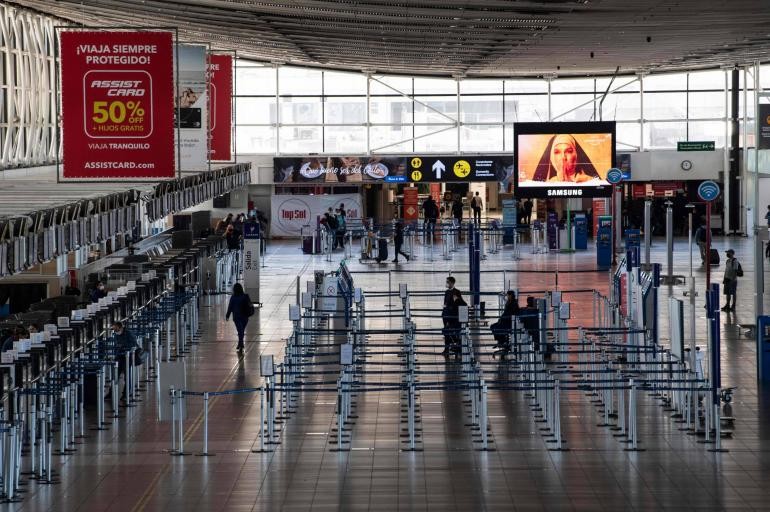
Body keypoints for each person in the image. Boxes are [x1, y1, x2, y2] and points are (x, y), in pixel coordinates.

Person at [531, 134, 601, 183]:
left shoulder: (591, 181)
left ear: (576, 156)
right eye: (557, 152)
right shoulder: (547, 184)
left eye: (569, 151)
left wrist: (589, 181)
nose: (563, 157)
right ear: (552, 158)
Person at [111, 321, 140, 403]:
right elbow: (116, 345)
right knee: (115, 374)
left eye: (116, 329)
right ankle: (111, 392)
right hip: (120, 356)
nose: (115, 330)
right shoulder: (116, 334)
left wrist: (123, 346)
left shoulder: (128, 333)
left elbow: (134, 344)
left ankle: (126, 394)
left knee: (127, 375)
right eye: (114, 329)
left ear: (120, 327)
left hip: (128, 356)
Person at [441, 277, 466, 356]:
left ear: (452, 283)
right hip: (446, 315)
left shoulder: (457, 292)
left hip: (453, 317)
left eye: (448, 282)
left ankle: (451, 347)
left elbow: (462, 304)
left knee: (448, 331)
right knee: (446, 331)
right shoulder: (446, 292)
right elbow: (445, 303)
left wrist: (457, 300)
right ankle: (447, 348)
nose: (447, 283)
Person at [226, 283, 253, 352]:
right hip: (245, 317)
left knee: (240, 331)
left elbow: (230, 307)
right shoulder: (245, 296)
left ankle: (240, 344)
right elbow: (250, 305)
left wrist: (227, 315)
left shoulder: (233, 297)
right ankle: (240, 344)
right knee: (241, 331)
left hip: (236, 317)